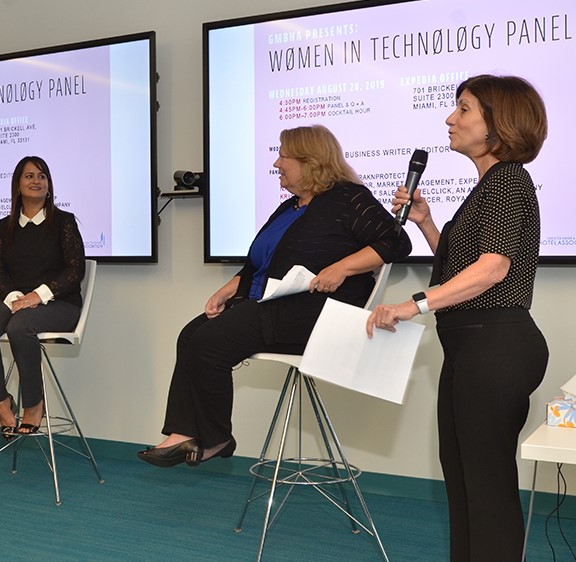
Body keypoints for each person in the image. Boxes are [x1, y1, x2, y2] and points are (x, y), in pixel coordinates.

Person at [138, 125, 411, 468]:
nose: (277, 162)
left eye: (284, 154)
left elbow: (397, 243)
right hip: (269, 304)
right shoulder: (289, 208)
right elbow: (261, 262)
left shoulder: (348, 197)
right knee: (190, 334)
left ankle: (215, 436)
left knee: (208, 342)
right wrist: (231, 286)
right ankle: (182, 432)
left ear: (311, 160)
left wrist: (343, 267)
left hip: (312, 311)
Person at [367, 75, 548, 561]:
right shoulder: (487, 185)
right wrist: (427, 222)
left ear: (498, 123)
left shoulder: (509, 179)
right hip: (471, 348)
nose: (450, 118)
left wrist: (413, 305)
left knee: (485, 486)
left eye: (464, 110)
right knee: (463, 478)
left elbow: (493, 268)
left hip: (497, 347)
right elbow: (461, 266)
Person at [0, 156, 85, 438]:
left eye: (42, 176)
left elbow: (75, 270)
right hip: (16, 300)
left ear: (49, 185)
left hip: (60, 303)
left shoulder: (64, 222)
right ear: (17, 185)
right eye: (29, 176)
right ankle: (2, 403)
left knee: (20, 327)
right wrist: (15, 298)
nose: (37, 181)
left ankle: (34, 404)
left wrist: (37, 296)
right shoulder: (4, 226)